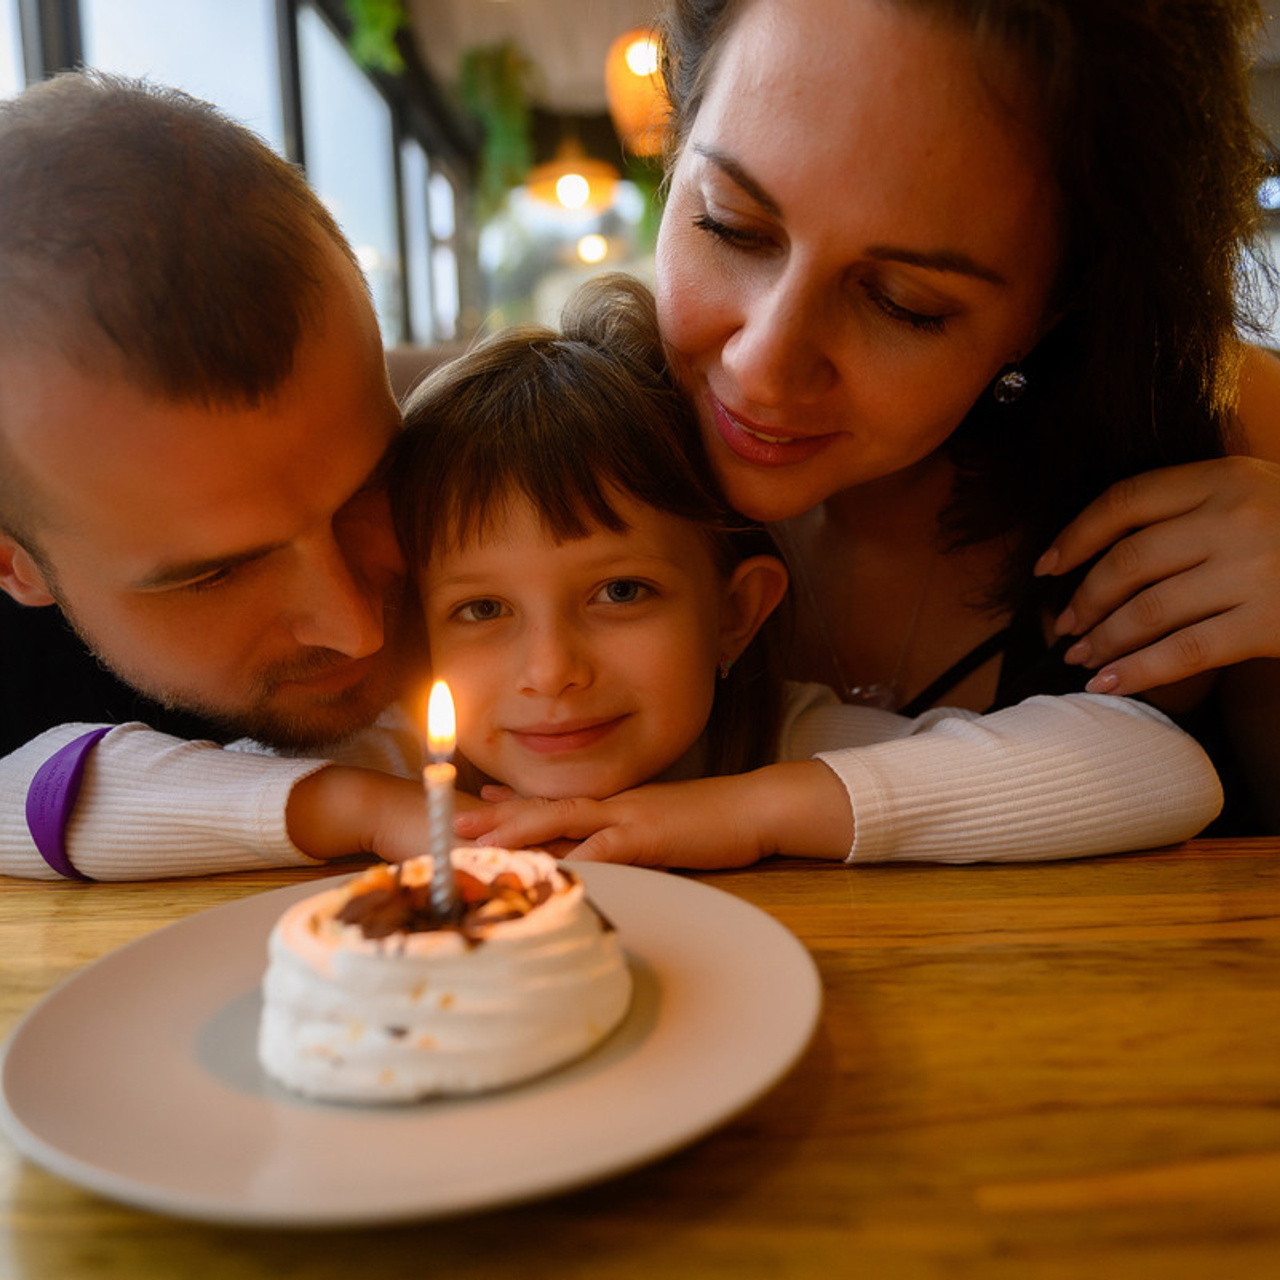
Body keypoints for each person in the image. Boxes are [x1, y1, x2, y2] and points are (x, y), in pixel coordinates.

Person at [0, 274, 1223, 877]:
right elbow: (18, 799)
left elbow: (1152, 764)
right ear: (414, 626)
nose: (551, 670)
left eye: (621, 591)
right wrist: (356, 815)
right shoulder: (403, 775)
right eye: (479, 609)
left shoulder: (772, 744)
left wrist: (739, 811)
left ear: (736, 613)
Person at [469, 0, 1280, 859]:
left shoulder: (1223, 429)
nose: (762, 367)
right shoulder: (570, 449)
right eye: (731, 227)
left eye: (905, 305)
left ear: (1053, 312)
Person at [0, 70, 432, 876]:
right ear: (13, 563)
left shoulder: (483, 503)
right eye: (215, 574)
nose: (357, 626)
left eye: (374, 484)